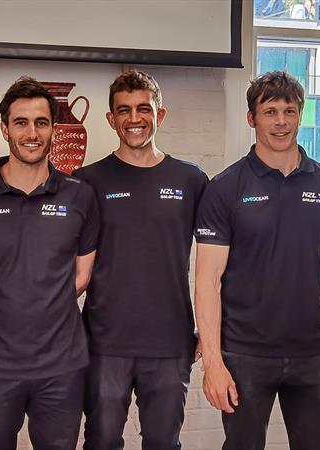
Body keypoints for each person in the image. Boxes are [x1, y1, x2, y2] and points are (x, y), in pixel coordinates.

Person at [194, 71, 320, 450]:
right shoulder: (225, 187)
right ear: (251, 118)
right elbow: (207, 280)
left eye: (289, 111)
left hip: (315, 355)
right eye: (270, 111)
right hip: (244, 355)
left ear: (300, 116)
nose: (280, 121)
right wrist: (213, 363)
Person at [0, 76, 99, 450]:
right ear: (5, 129)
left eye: (41, 122)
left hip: (61, 368)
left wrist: (39, 303)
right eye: (21, 122)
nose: (31, 133)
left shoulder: (79, 196)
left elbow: (82, 274)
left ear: (53, 128)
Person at [74, 70, 208, 450]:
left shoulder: (191, 180)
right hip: (103, 342)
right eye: (124, 110)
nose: (134, 118)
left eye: (143, 109)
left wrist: (211, 331)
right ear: (111, 119)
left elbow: (219, 263)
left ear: (160, 115)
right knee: (100, 441)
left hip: (170, 341)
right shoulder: (87, 181)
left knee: (164, 442)